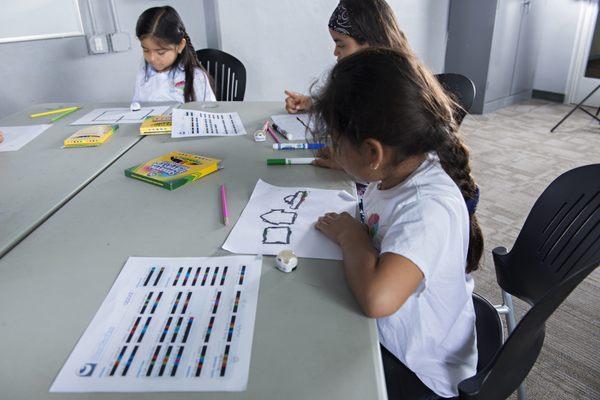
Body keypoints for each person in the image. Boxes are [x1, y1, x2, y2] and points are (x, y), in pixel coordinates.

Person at [312, 47, 483, 400]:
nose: (332, 147)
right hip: (403, 335)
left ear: (373, 153)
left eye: (337, 142)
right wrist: (347, 162)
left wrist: (352, 238)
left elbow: (378, 300)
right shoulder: (400, 166)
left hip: (420, 367)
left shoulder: (426, 208)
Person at [284, 0, 410, 114]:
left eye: (341, 45)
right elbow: (346, 105)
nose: (335, 52)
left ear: (368, 44)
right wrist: (311, 103)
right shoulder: (364, 76)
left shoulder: (398, 89)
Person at [132, 6, 216, 104]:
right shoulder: (143, 76)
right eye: (146, 50)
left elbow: (211, 112)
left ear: (180, 45)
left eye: (161, 52)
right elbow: (136, 108)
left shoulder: (196, 77)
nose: (152, 58)